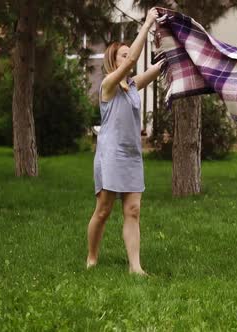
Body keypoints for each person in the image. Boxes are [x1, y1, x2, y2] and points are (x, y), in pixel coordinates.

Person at [86, 8, 164, 275]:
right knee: (104, 210)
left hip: (132, 156)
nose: (128, 57)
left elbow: (154, 70)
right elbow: (133, 60)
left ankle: (135, 267)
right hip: (111, 155)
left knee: (132, 210)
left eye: (127, 54)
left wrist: (173, 51)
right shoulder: (108, 85)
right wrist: (148, 22)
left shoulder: (131, 85)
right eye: (123, 54)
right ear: (114, 61)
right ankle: (92, 257)